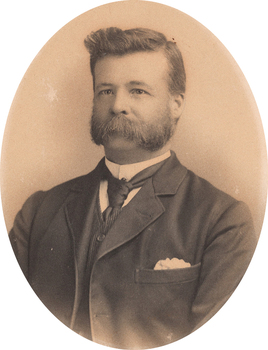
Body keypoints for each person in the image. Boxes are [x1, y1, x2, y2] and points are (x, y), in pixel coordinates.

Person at [9, 27, 257, 349]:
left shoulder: (222, 221)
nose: (117, 106)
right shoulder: (38, 212)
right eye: (106, 91)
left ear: (176, 103)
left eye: (138, 91)